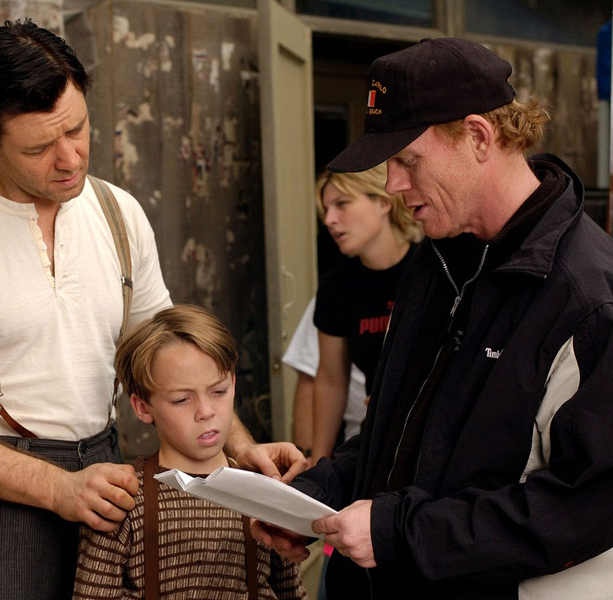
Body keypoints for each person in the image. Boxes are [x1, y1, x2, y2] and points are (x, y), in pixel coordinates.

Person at [0, 19, 306, 599]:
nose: (70, 157)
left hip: (107, 474)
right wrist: (56, 489)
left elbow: (175, 362)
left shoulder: (118, 213)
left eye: (77, 129)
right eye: (39, 146)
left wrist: (236, 443)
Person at [252, 37, 613, 599]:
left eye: (407, 160)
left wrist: (399, 532)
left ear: (477, 136)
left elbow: (584, 505)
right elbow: (398, 434)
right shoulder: (435, 257)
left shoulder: (587, 299)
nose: (393, 184)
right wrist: (313, 495)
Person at [73, 305, 308, 599]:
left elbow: (292, 594)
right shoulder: (121, 500)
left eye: (218, 391)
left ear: (234, 385)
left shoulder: (264, 492)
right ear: (143, 408)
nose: (206, 412)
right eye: (182, 399)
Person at [308, 163, 421, 464]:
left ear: (383, 202)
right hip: (378, 441)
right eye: (326, 210)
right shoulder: (336, 287)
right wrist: (318, 465)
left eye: (342, 204)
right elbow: (331, 378)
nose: (330, 220)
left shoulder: (432, 269)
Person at [282, 297, 367, 461]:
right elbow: (311, 373)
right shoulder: (337, 290)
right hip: (359, 447)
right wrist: (307, 457)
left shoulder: (423, 285)